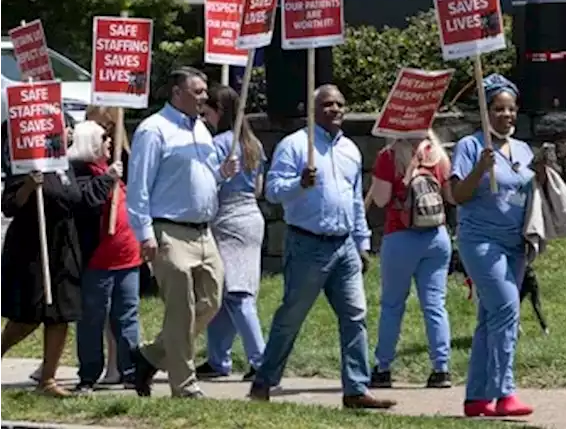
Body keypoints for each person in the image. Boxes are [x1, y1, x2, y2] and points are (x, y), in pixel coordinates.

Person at [249, 85, 393, 410]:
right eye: (327, 104)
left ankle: (356, 388)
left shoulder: (351, 151)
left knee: (355, 315)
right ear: (314, 110)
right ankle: (264, 381)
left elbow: (355, 200)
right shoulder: (295, 146)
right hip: (307, 243)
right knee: (292, 316)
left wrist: (362, 241)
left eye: (340, 104)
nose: (335, 110)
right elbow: (272, 191)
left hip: (344, 246)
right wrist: (299, 183)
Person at [127, 67, 236, 399]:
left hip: (204, 232)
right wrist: (144, 234)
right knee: (181, 310)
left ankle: (150, 355)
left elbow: (198, 180)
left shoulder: (202, 129)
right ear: (177, 93)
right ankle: (185, 387)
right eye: (198, 91)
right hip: (168, 231)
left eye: (205, 92)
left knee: (213, 300)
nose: (205, 97)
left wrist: (221, 174)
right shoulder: (153, 130)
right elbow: (139, 187)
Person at [449, 74, 537, 418]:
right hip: (481, 242)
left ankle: (476, 398)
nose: (506, 115)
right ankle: (504, 392)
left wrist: (540, 176)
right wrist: (480, 170)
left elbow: (526, 193)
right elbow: (457, 195)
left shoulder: (523, 150)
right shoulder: (471, 147)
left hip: (514, 244)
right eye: (498, 109)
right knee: (506, 310)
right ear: (485, 112)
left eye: (511, 109)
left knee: (490, 319)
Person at [0, 152, 120, 396]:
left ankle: (48, 380)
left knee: (61, 314)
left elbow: (79, 200)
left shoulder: (65, 167)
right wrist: (29, 187)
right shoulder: (24, 165)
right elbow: (9, 206)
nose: (68, 133)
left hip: (64, 246)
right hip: (31, 248)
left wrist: (107, 179)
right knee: (29, 316)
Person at [369, 131, 453, 389]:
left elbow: (382, 199)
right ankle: (441, 368)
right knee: (435, 304)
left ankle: (383, 367)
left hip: (401, 236)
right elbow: (450, 197)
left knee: (393, 305)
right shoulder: (438, 154)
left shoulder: (389, 156)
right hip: (437, 237)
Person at [196, 84, 267, 383]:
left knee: (237, 293)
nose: (204, 117)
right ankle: (217, 357)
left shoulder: (219, 143)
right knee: (222, 293)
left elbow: (207, 183)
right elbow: (260, 187)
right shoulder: (254, 145)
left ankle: (261, 360)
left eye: (207, 111)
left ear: (219, 111)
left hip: (228, 219)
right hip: (252, 216)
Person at [69, 113, 143, 392]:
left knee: (128, 316)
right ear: (90, 142)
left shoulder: (115, 168)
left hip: (127, 258)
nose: (109, 142)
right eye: (103, 139)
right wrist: (108, 179)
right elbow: (86, 201)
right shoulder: (79, 172)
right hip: (97, 261)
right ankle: (88, 374)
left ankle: (131, 370)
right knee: (92, 318)